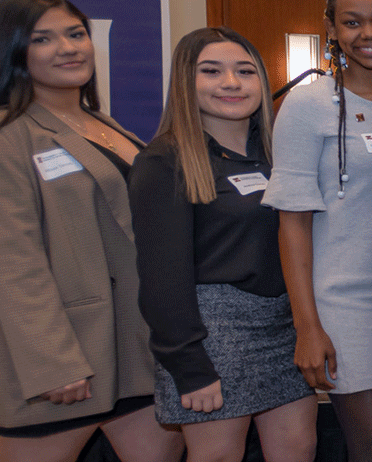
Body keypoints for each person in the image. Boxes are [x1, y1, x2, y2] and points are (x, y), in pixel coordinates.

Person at [0, 0, 183, 462]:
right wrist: (53, 363)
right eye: (43, 38)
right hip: (65, 361)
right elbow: (8, 261)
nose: (68, 47)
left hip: (137, 349)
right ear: (13, 51)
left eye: (76, 33)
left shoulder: (106, 126)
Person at [130, 27, 317, 461]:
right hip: (213, 333)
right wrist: (188, 364)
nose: (231, 83)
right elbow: (162, 278)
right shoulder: (165, 161)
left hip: (286, 326)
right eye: (212, 71)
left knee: (299, 449)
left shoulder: (280, 155)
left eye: (245, 71)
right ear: (184, 82)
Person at [261, 0, 372, 460]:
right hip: (343, 304)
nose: (369, 34)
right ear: (331, 29)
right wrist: (307, 327)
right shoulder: (307, 105)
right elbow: (292, 225)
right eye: (352, 22)